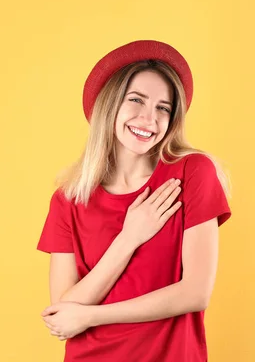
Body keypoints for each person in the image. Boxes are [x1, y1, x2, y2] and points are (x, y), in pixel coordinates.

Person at [36, 40, 232, 361]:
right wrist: (129, 238)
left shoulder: (193, 173)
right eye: (136, 100)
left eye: (163, 107)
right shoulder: (68, 198)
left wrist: (91, 316)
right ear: (110, 105)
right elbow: (63, 310)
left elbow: (195, 293)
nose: (148, 118)